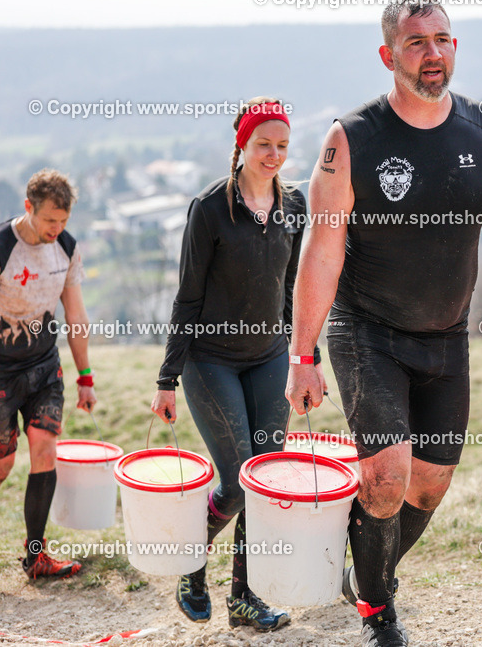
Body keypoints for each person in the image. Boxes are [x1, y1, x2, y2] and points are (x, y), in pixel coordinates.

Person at [285, 0, 482, 647]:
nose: (433, 52)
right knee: (385, 476)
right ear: (388, 56)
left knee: (430, 485)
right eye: (416, 43)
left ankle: (362, 566)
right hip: (367, 332)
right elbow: (322, 250)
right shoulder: (351, 139)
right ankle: (377, 610)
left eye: (442, 38)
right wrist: (304, 354)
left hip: (446, 334)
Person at [151, 97, 324, 632]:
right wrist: (167, 379)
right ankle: (190, 565)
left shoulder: (295, 205)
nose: (273, 155)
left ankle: (245, 598)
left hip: (270, 356)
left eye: (282, 146)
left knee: (265, 480)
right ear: (241, 146)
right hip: (211, 361)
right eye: (263, 145)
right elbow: (187, 299)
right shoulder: (210, 210)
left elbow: (296, 291)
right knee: (236, 481)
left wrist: (307, 358)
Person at [0, 169, 96, 579]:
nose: (56, 229)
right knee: (2, 467)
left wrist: (85, 376)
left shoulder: (67, 248)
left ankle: (35, 556)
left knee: (45, 451)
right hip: (1, 372)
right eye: (49, 221)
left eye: (63, 221)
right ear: (28, 208)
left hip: (43, 368)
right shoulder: (2, 246)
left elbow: (75, 316)